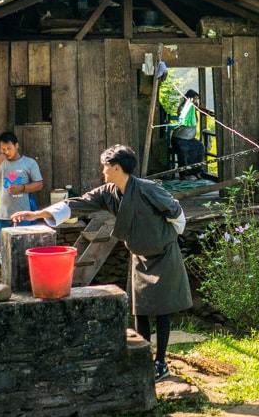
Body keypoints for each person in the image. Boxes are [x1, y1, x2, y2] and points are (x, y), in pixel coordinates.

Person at [12, 144, 190, 379]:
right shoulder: (108, 192)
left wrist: (168, 236)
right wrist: (36, 214)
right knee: (142, 310)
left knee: (162, 310)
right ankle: (145, 357)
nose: (102, 171)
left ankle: (161, 363)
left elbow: (175, 212)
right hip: (139, 255)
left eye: (105, 166)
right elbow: (76, 204)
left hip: (164, 253)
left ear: (116, 168)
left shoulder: (148, 189)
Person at [0, 132, 43, 247]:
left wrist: (22, 187)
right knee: (3, 253)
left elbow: (39, 184)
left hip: (23, 216)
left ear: (17, 146)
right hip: (2, 217)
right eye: (3, 149)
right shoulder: (0, 163)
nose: (6, 152)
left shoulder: (29, 163)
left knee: (23, 252)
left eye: (9, 148)